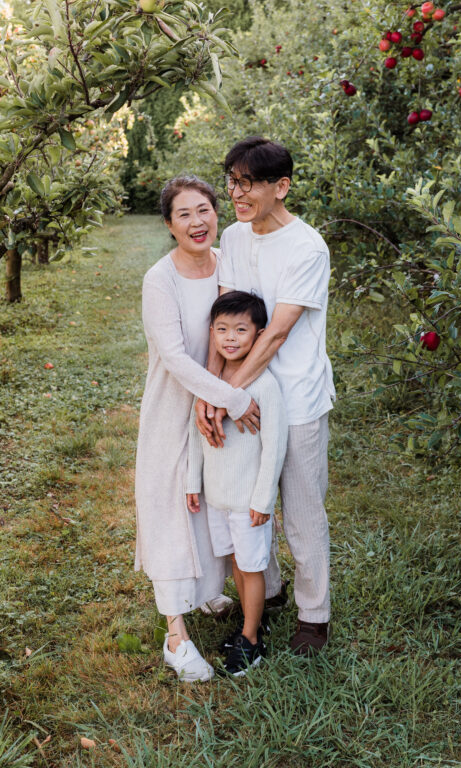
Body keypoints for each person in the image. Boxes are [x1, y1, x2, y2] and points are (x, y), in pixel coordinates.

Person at [195, 136, 335, 655]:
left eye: (248, 182)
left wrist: (225, 394)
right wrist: (212, 392)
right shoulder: (232, 237)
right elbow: (222, 318)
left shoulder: (307, 247)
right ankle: (267, 592)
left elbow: (274, 334)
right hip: (240, 398)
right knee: (246, 499)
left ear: (282, 187)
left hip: (295, 399)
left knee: (300, 512)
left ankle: (313, 616)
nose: (237, 192)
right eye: (232, 180)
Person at [134, 175, 260, 682]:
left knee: (211, 502)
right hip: (174, 406)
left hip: (216, 406)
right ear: (169, 225)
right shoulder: (158, 280)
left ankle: (209, 590)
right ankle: (175, 635)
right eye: (184, 214)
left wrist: (223, 397)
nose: (197, 221)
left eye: (204, 209)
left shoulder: (226, 262)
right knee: (168, 507)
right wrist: (229, 397)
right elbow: (174, 358)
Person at [186, 291, 288, 676]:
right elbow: (199, 433)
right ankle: (249, 624)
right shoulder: (210, 382)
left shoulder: (263, 385)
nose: (230, 338)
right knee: (236, 564)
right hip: (217, 497)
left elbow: (274, 445)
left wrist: (263, 499)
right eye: (222, 329)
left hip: (248, 501)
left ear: (259, 335)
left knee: (251, 566)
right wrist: (191, 480)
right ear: (211, 332)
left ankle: (250, 639)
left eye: (241, 330)